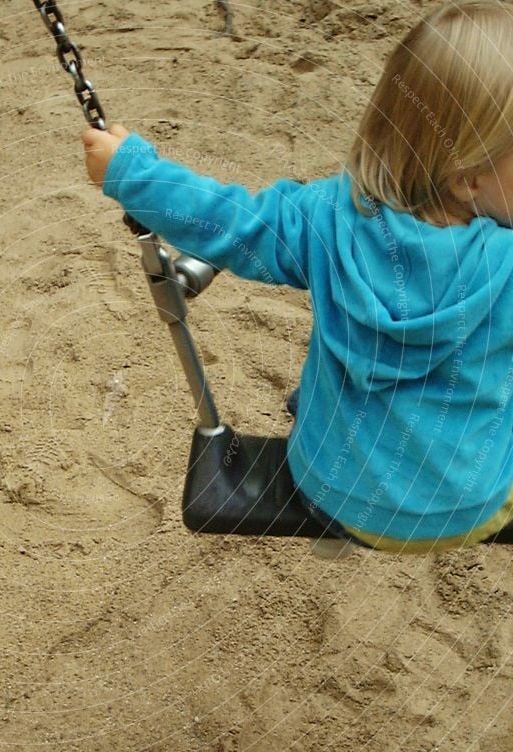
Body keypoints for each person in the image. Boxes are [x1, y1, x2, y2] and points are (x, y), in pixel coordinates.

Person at [81, 0, 513, 553]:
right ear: (468, 180)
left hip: (336, 495)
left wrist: (128, 171)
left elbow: (224, 220)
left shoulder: (327, 218)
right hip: (469, 510)